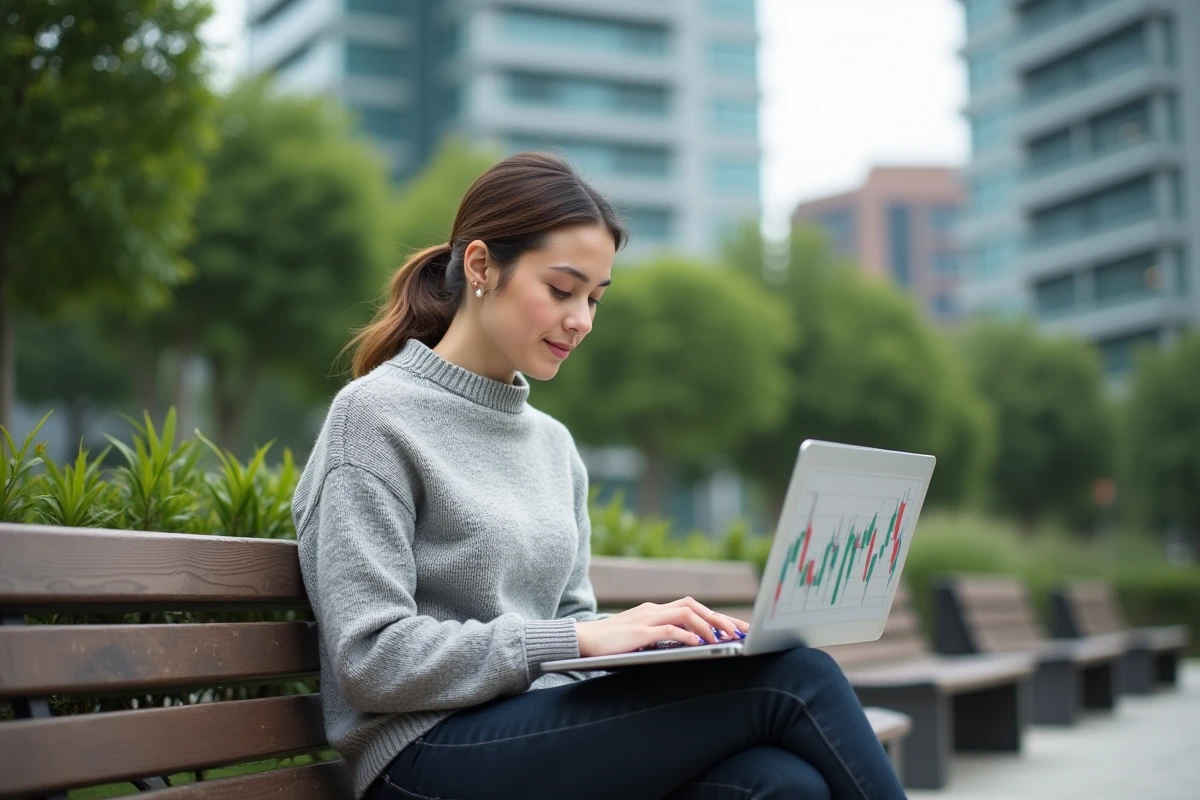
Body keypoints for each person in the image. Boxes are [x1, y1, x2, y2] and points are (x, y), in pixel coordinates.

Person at [292, 152, 907, 800]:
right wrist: (579, 639)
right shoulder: (374, 417)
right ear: (480, 266)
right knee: (794, 678)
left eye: (593, 297)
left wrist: (662, 653)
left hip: (533, 738)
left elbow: (570, 630)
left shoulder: (552, 446)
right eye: (561, 290)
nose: (582, 319)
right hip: (421, 759)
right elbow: (371, 660)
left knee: (780, 784)